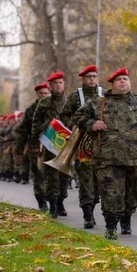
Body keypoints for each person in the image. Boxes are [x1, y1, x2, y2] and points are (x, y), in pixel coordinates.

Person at [72, 68, 137, 240]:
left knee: (132, 194)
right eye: (119, 79)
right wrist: (91, 124)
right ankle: (111, 225)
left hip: (136, 158)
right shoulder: (98, 102)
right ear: (112, 83)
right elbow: (78, 116)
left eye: (125, 79)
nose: (123, 82)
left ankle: (126, 219)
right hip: (107, 158)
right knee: (110, 193)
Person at [59, 65, 103, 229]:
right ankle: (87, 215)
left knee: (98, 182)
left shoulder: (104, 94)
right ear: (83, 79)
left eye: (94, 76)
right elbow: (64, 114)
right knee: (86, 181)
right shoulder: (76, 96)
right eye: (89, 77)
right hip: (81, 143)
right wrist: (75, 126)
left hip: (101, 144)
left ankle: (92, 207)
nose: (92, 79)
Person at [31, 72, 69, 218]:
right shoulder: (44, 103)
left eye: (60, 82)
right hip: (50, 143)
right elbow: (35, 126)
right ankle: (52, 204)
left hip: (66, 143)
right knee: (51, 175)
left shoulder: (70, 101)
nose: (58, 85)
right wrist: (49, 124)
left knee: (65, 175)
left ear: (63, 84)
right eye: (54, 83)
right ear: (50, 86)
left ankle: (60, 201)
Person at [14, 82, 50, 210]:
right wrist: (19, 151)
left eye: (46, 93)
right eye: (41, 93)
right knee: (38, 174)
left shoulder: (55, 106)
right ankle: (41, 202)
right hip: (36, 146)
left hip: (53, 145)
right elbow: (22, 131)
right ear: (37, 94)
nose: (44, 96)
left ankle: (57, 203)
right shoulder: (30, 110)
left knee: (53, 175)